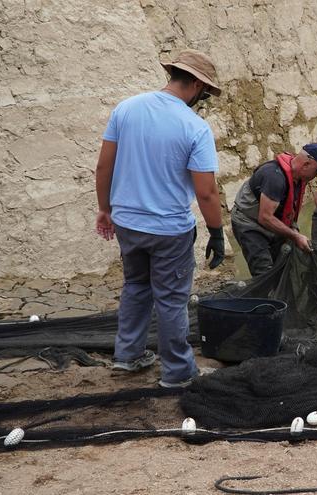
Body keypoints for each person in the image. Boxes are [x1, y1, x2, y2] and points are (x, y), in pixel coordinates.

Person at [94, 49, 225, 388]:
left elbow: (104, 165)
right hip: (169, 230)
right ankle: (178, 372)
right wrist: (216, 232)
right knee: (170, 299)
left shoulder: (126, 108)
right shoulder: (195, 127)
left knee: (136, 286)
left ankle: (128, 356)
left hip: (127, 223)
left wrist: (105, 209)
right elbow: (206, 192)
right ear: (195, 84)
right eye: (205, 92)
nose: (203, 99)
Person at [231, 143, 317, 277]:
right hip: (249, 223)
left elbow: (289, 209)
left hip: (271, 221)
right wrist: (295, 236)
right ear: (306, 164)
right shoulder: (274, 177)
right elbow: (265, 217)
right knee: (264, 272)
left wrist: (294, 229)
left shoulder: (298, 178)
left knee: (283, 266)